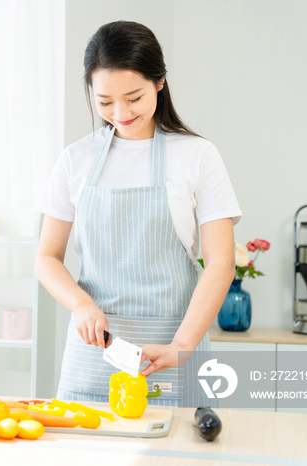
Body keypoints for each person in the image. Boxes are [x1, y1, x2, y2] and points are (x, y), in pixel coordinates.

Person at [35, 21, 241, 407]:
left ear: (159, 82)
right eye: (105, 101)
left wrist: (181, 346)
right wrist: (81, 304)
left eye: (133, 97)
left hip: (174, 349)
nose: (120, 112)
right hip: (94, 352)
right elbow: (47, 257)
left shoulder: (197, 156)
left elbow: (221, 263)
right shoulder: (75, 159)